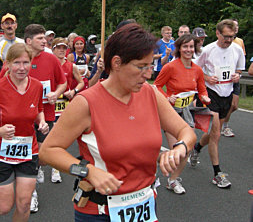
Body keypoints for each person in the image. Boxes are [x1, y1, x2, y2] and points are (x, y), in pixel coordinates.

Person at [39, 23, 196, 221]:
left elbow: (186, 131)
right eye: (141, 67)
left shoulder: (149, 93)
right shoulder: (86, 103)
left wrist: (179, 148)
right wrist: (87, 171)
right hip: (99, 211)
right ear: (116, 63)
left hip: (145, 204)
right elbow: (48, 151)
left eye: (149, 66)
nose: (148, 74)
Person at [0, 43, 49, 222]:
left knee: (24, 204)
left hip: (27, 150)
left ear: (31, 63)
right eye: (17, 63)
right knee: (3, 206)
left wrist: (42, 121)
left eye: (26, 62)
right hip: (0, 153)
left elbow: (38, 109)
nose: (22, 68)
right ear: (7, 64)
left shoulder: (37, 86)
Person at [154, 34, 214, 194]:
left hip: (187, 112)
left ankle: (173, 180)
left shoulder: (197, 70)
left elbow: (202, 89)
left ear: (195, 49)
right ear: (179, 48)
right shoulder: (171, 67)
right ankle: (153, 158)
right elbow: (157, 86)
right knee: (177, 149)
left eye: (191, 46)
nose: (188, 49)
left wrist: (204, 97)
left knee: (186, 149)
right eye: (185, 46)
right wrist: (168, 97)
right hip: (171, 112)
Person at [193, 19, 245, 188]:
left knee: (215, 133)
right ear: (217, 33)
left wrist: (238, 76)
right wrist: (207, 78)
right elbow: (195, 70)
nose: (229, 40)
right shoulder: (208, 50)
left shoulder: (237, 49)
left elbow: (239, 69)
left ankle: (197, 148)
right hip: (211, 94)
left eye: (232, 36)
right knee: (216, 134)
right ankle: (217, 173)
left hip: (227, 93)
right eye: (226, 36)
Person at [22, 24, 67, 212]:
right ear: (28, 41)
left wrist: (55, 94)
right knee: (27, 155)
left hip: (46, 113)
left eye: (44, 37)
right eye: (39, 38)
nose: (44, 41)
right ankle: (32, 194)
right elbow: (3, 81)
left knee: (42, 155)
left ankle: (37, 167)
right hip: (22, 116)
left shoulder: (51, 58)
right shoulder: (18, 59)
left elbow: (63, 83)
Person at [221, 19, 246, 137]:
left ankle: (222, 122)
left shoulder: (240, 42)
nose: (235, 28)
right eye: (233, 26)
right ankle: (224, 126)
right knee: (226, 104)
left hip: (234, 76)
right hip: (224, 76)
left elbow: (242, 60)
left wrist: (238, 73)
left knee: (234, 105)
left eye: (237, 26)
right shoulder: (222, 40)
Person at [52, 37, 85, 123]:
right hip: (51, 103)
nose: (62, 50)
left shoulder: (71, 66)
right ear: (53, 49)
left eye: (64, 48)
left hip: (65, 102)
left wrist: (74, 91)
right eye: (59, 48)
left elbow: (81, 82)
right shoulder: (48, 65)